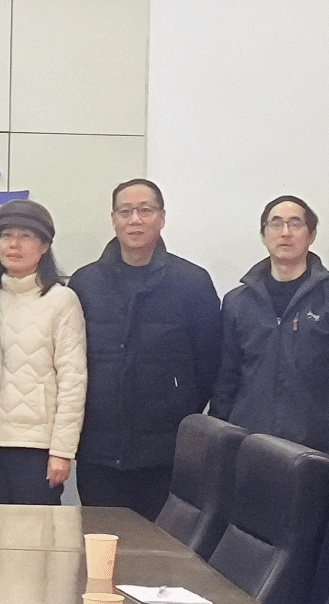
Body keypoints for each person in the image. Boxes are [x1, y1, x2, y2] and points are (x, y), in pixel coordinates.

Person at [211, 194, 329, 604]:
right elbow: (226, 381)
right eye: (276, 223)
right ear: (263, 234)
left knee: (312, 563)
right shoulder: (237, 302)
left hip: (319, 454)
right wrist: (221, 443)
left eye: (295, 223)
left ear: (311, 234)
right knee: (248, 561)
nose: (285, 231)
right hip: (252, 453)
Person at [68, 178, 221, 521]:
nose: (135, 219)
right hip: (99, 451)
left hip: (167, 452)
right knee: (101, 542)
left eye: (145, 210)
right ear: (113, 219)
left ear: (162, 217)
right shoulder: (85, 282)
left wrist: (178, 407)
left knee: (162, 547)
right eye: (125, 211)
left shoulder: (192, 282)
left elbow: (210, 363)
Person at [0, 200, 87, 505]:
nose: (14, 244)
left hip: (36, 447)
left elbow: (73, 380)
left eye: (25, 236)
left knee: (35, 531)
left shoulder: (61, 300)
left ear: (44, 245)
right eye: (6, 235)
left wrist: (62, 451)